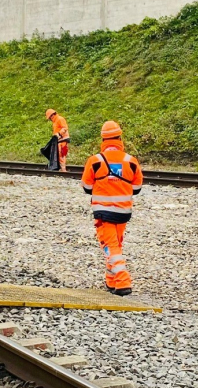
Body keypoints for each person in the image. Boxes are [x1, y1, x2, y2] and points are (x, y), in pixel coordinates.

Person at [81, 121, 143, 296]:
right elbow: (137, 188)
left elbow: (86, 187)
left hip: (104, 212)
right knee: (116, 244)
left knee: (110, 246)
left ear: (103, 139)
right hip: (123, 213)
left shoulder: (95, 161)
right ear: (120, 138)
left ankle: (123, 281)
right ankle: (111, 281)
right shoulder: (130, 161)